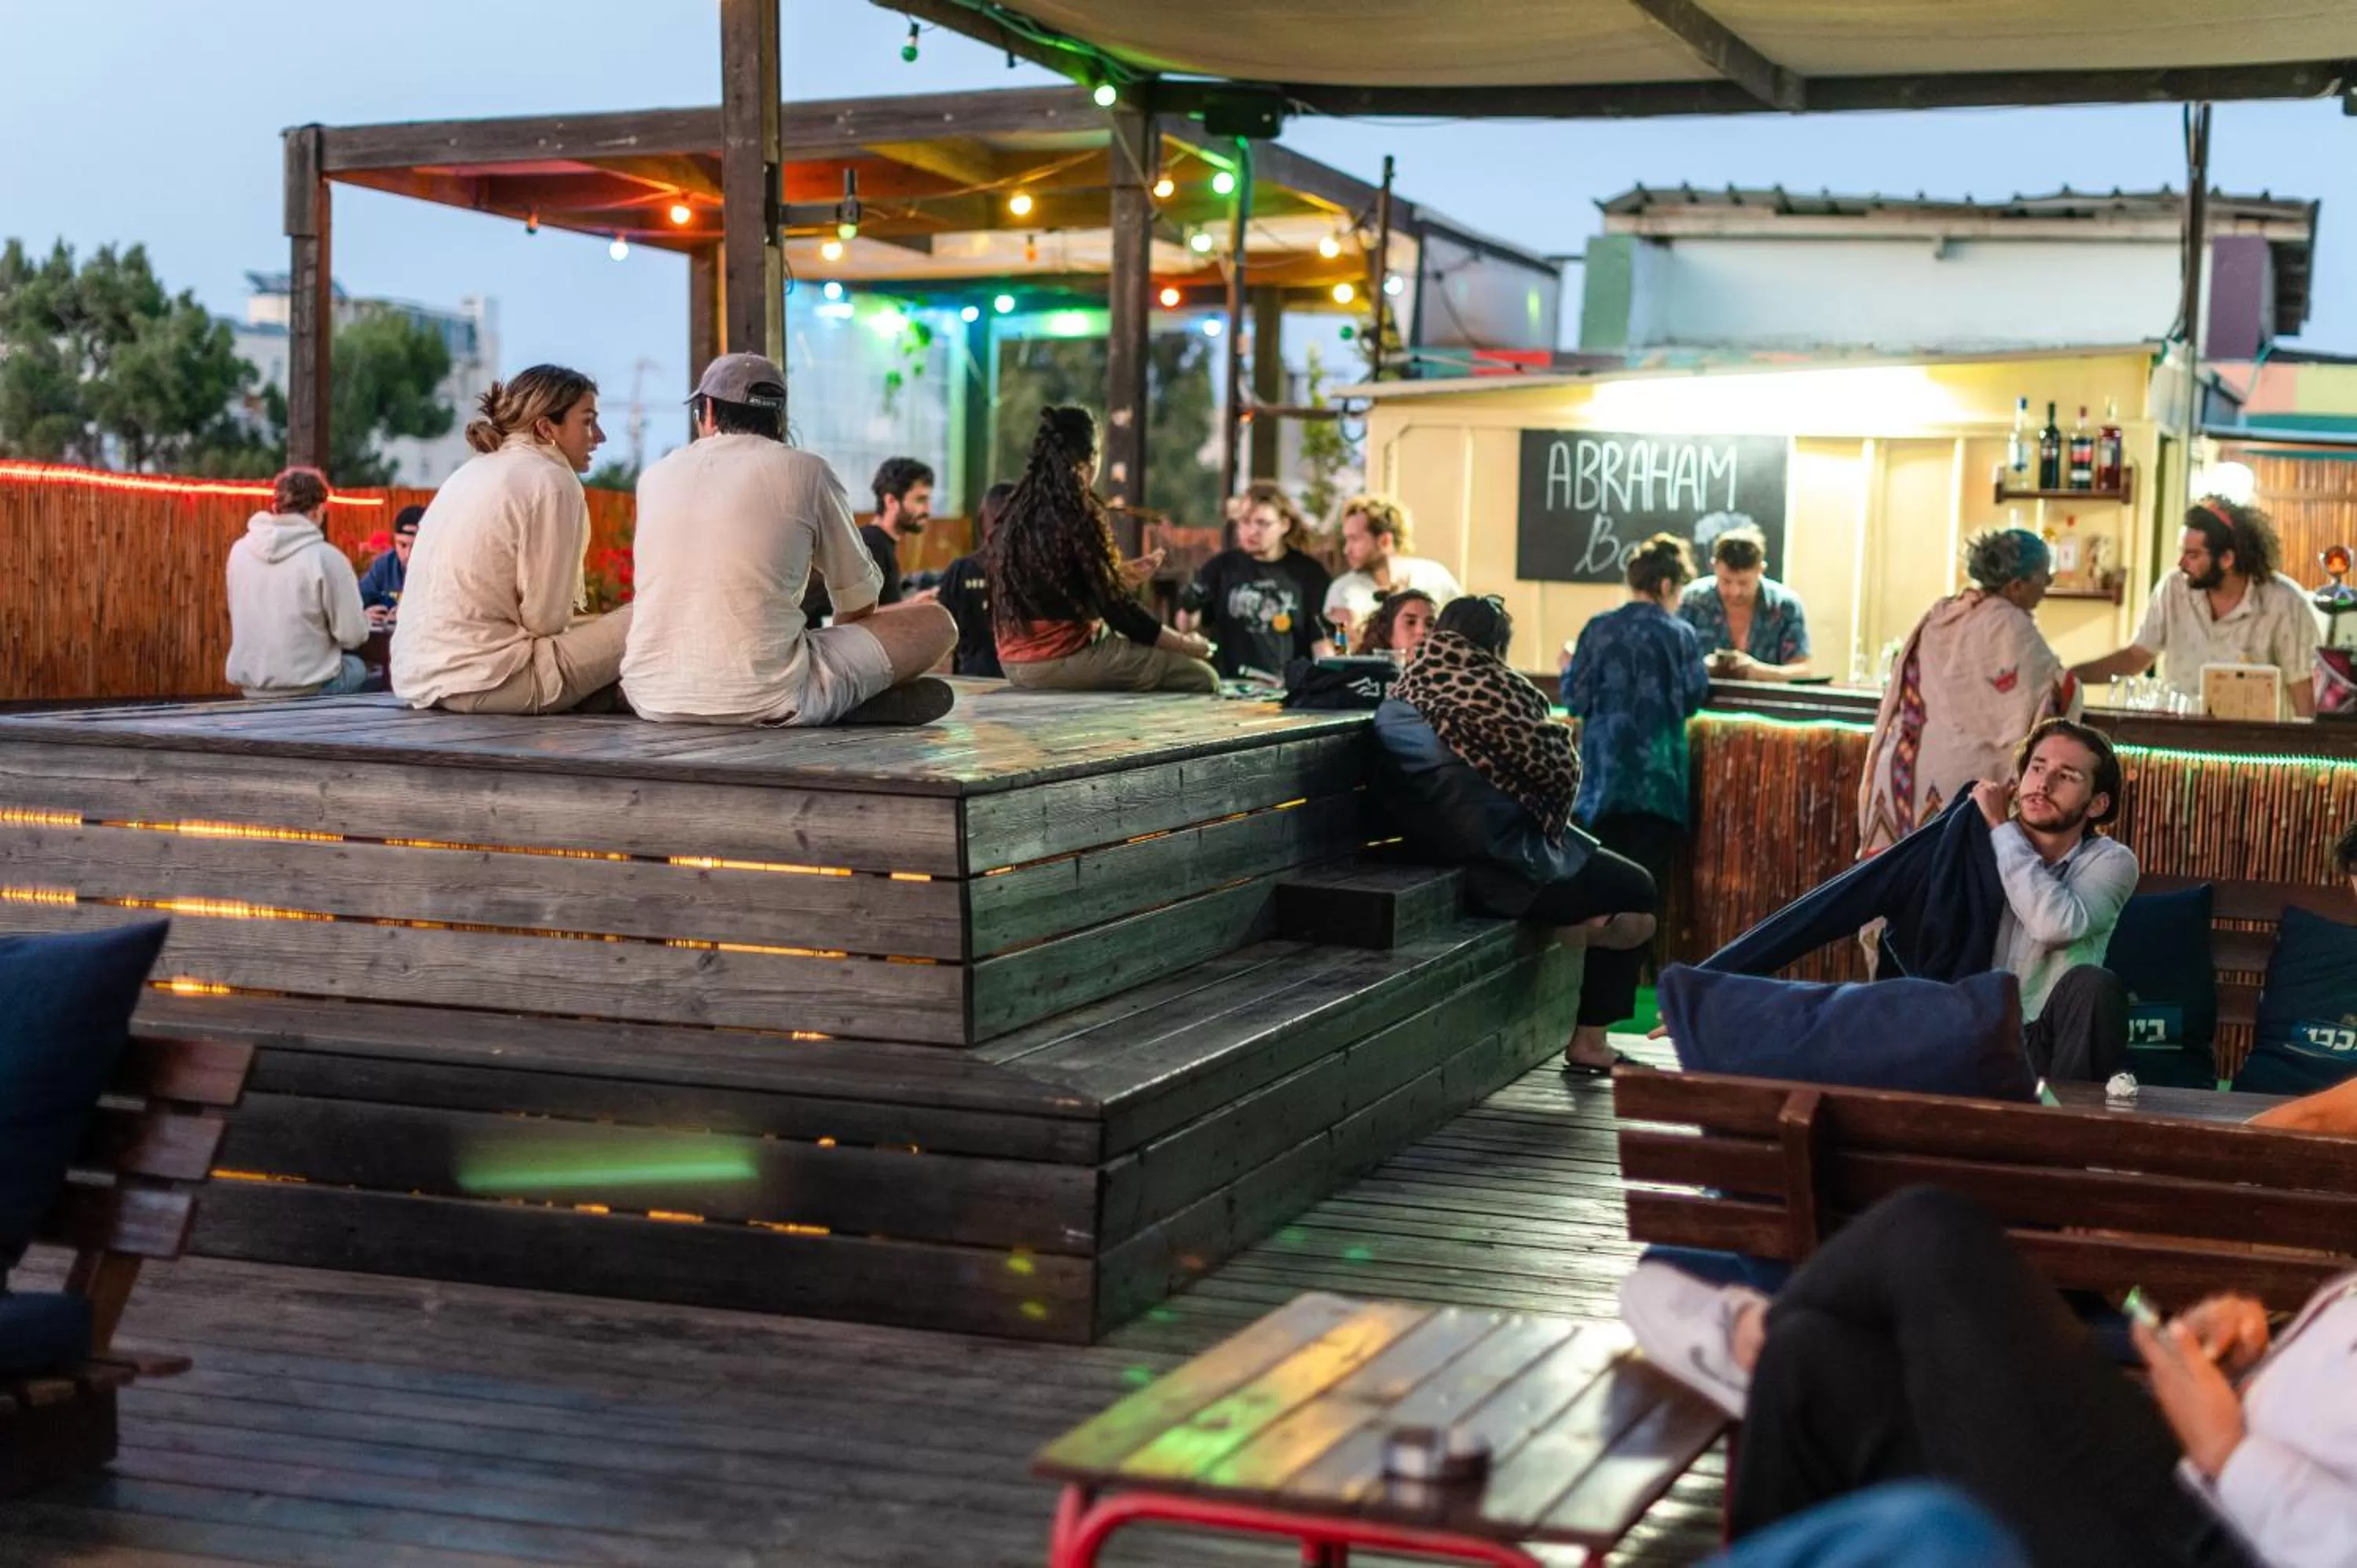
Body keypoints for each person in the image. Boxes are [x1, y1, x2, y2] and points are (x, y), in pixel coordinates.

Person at [1622, 1184, 2349, 1568]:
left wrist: (2233, 1455)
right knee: (1816, 1362)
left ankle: (1746, 1335)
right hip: (2217, 1484)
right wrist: (2264, 1355)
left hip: (2232, 1538)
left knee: (1931, 1234)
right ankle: (1768, 1339)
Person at [1703, 718, 2138, 1085]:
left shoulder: (2111, 863)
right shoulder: (1967, 842)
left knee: (2093, 985)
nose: (2042, 784)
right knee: (1845, 1013)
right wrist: (1714, 983)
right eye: (2037, 767)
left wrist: (1998, 827)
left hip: (2050, 1045)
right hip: (1971, 1033)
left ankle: (2071, 1144)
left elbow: (2055, 925)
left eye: (2067, 776)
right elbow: (1843, 899)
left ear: (2098, 804)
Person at [1369, 595, 1662, 1078]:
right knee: (1638, 891)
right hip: (1502, 866)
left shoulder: (1403, 695)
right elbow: (1560, 768)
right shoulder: (1491, 694)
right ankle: (1590, 1041)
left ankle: (1583, 936)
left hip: (1438, 855)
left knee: (1614, 907)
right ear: (1495, 649)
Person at [621, 354, 956, 727]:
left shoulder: (654, 476)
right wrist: (846, 663)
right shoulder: (808, 471)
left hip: (650, 697)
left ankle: (831, 697)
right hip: (771, 698)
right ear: (779, 417)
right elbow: (859, 601)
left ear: (709, 411)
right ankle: (841, 699)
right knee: (937, 623)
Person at [391, 365, 633, 714]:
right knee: (657, 610)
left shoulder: (470, 472)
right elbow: (545, 621)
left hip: (420, 682)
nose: (600, 436)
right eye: (587, 421)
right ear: (546, 427)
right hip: (494, 679)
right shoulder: (552, 481)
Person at [1560, 533, 1713, 1027]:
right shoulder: (1680, 633)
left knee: (1601, 896)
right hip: (1658, 786)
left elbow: (1575, 700)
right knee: (1643, 898)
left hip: (1600, 784)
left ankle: (1578, 1005)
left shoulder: (1598, 629)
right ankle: (1623, 1007)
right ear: (1667, 583)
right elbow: (1693, 698)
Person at [1858, 528, 2077, 857]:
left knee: (1902, 891)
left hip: (1905, 776)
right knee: (1956, 891)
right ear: (2017, 585)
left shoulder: (1942, 613)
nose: (2047, 586)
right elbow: (2055, 693)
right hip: (1963, 789)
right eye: (2044, 577)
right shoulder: (2011, 626)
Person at [987, 405, 1217, 693]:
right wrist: (1187, 645)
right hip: (1062, 658)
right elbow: (1120, 613)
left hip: (1013, 664)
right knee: (1201, 678)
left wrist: (1116, 574)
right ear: (1089, 459)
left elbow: (1054, 586)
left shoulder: (1015, 511)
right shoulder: (1077, 512)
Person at [2071, 499, 2320, 718]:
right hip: (2184, 742)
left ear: (2227, 559)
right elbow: (2137, 656)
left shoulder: (2284, 602)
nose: (2181, 563)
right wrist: (2073, 675)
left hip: (2256, 748)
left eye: (2193, 555)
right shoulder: (2173, 589)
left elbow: (2301, 687)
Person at [222, 466, 370, 699]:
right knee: (361, 670)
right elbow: (353, 636)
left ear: (275, 506)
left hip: (251, 688)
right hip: (309, 688)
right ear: (318, 510)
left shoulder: (239, 552)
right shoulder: (326, 558)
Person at [1178, 482, 1333, 680]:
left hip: (1285, 693)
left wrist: (1328, 682)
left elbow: (1322, 642)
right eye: (1245, 522)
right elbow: (1187, 627)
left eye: (1262, 523)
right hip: (1230, 689)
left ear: (1284, 525)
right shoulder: (1221, 568)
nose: (1252, 531)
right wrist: (1189, 606)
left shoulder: (1309, 574)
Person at [1321, 495, 1463, 648]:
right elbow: (1340, 651)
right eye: (1346, 540)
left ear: (1385, 541)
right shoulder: (1342, 590)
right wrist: (1347, 636)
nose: (1346, 550)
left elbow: (1464, 629)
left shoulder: (1433, 577)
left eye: (1355, 539)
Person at [1678, 523, 1812, 682]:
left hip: (1767, 703)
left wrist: (1758, 671)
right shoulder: (1691, 600)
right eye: (1726, 581)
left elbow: (1802, 671)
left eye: (1744, 583)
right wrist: (1701, 668)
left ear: (1761, 570)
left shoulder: (1786, 605)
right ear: (1714, 567)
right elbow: (1669, 665)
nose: (1735, 591)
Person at [937, 482, 1010, 678]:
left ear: (981, 520)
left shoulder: (959, 570)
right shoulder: (1032, 572)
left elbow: (944, 638)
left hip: (970, 679)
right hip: (1019, 677)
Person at [358, 504, 421, 624]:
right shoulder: (384, 565)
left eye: (415, 546)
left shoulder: (442, 568)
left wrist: (410, 615)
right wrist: (363, 615)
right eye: (402, 545)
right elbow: (355, 600)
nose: (408, 554)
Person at [1354, 588, 1438, 661]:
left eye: (1430, 624)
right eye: (1410, 622)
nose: (1422, 631)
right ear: (1387, 632)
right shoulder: (1360, 676)